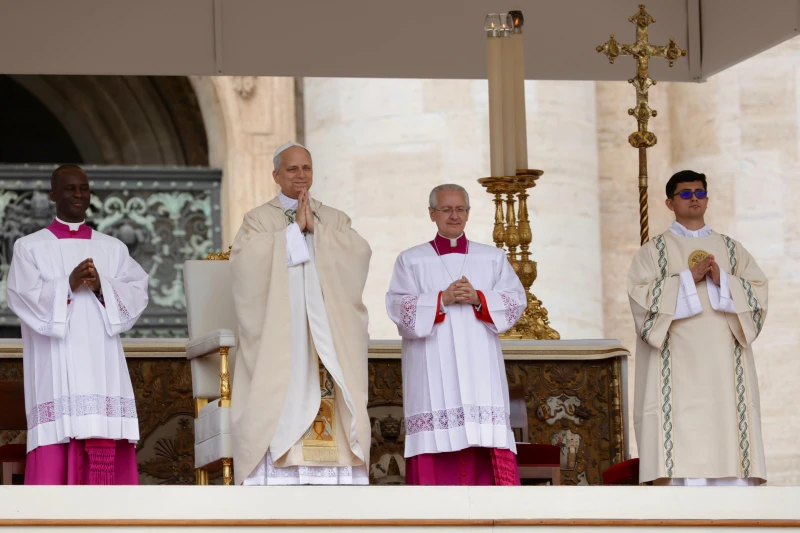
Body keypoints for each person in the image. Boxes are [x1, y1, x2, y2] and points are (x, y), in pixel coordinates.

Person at [230, 141, 372, 485]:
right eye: (292, 169)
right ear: (276, 175)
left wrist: (318, 233)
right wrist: (293, 233)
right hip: (285, 335)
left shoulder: (334, 218)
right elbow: (244, 265)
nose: (301, 175)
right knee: (283, 386)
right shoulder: (259, 220)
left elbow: (358, 256)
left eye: (306, 168)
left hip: (327, 333)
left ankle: (335, 471)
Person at [6, 164, 149, 485]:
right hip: (55, 362)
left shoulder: (112, 248)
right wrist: (67, 284)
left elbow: (138, 291)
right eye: (70, 189)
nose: (78, 194)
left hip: (102, 364)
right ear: (53, 194)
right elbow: (21, 296)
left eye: (83, 188)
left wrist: (102, 286)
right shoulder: (29, 247)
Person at [628, 170, 768, 486]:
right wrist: (688, 279)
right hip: (676, 365)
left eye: (700, 193)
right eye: (686, 193)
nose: (694, 198)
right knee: (680, 438)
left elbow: (759, 293)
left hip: (724, 364)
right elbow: (640, 298)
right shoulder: (653, 251)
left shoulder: (732, 250)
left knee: (727, 432)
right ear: (669, 202)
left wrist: (724, 281)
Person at [386, 184, 526, 486]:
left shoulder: (492, 257)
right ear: (432, 213)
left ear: (468, 213)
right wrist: (440, 300)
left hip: (480, 368)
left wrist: (479, 298)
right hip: (432, 365)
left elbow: (516, 301)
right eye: (447, 209)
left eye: (460, 209)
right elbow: (398, 307)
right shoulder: (412, 260)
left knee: (482, 434)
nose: (454, 215)